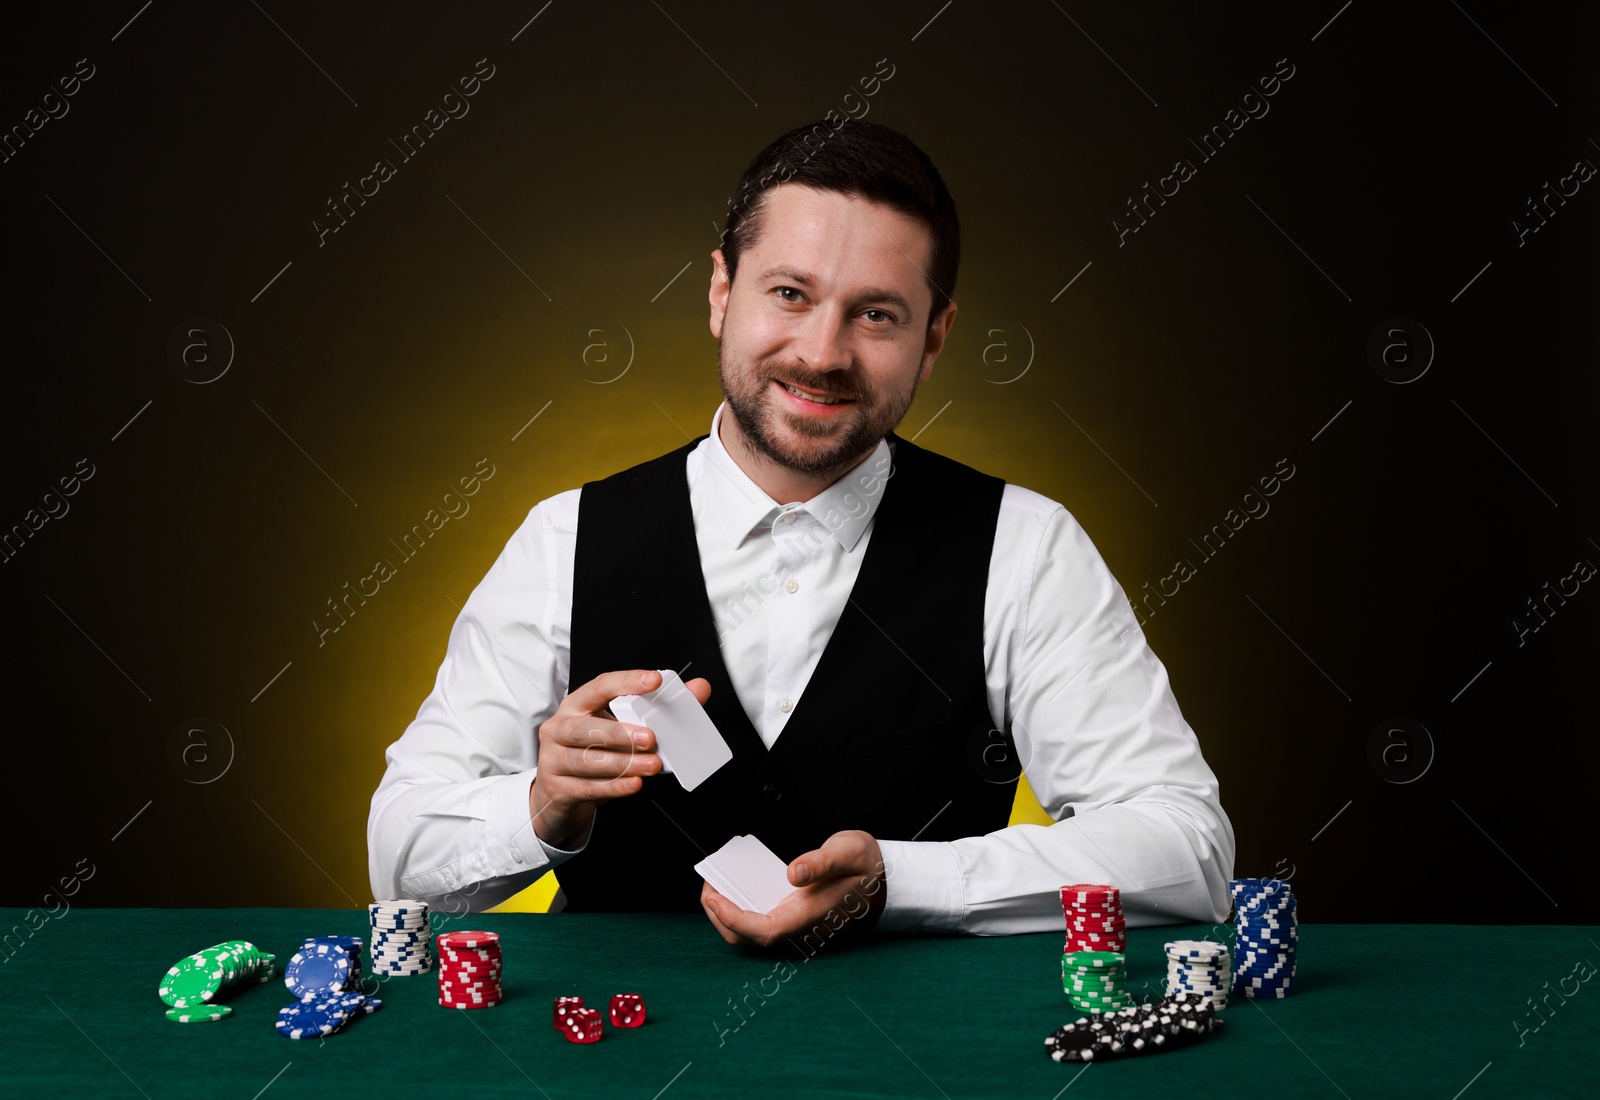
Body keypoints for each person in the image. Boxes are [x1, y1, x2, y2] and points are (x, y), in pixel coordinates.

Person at [368, 119, 1234, 944]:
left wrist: (904, 881)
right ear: (720, 293)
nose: (822, 354)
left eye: (877, 315)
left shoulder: (1026, 546)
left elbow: (1187, 850)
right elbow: (400, 863)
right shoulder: (563, 540)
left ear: (935, 339)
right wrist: (539, 807)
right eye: (790, 293)